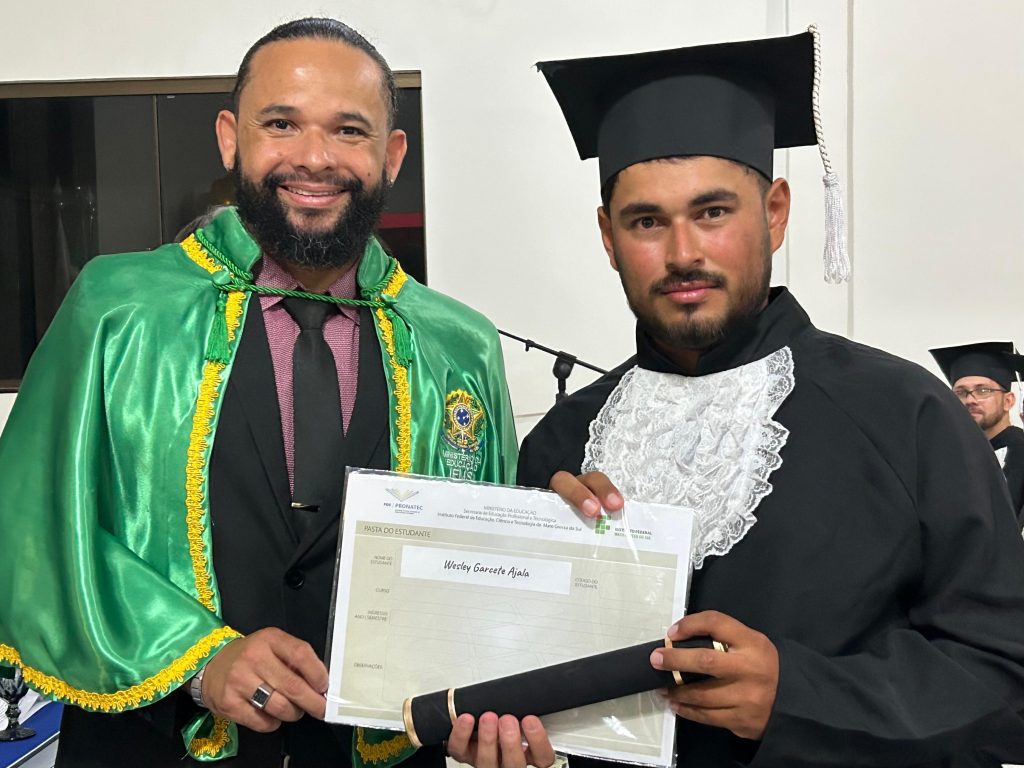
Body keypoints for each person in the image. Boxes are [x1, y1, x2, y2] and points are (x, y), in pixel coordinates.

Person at [0, 18, 530, 768]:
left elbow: (489, 558)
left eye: (350, 130)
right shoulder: (118, 310)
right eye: (281, 123)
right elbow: (30, 525)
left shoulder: (455, 344)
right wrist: (196, 658)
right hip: (150, 750)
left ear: (393, 155)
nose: (313, 158)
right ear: (230, 137)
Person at [514, 29, 1024, 767]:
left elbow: (1005, 679)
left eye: (713, 212)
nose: (683, 252)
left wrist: (797, 696)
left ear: (776, 213)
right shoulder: (561, 444)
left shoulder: (906, 413)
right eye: (647, 221)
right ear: (607, 235)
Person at [930, 341, 1024, 528]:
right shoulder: (946, 453)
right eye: (961, 392)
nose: (970, 400)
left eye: (983, 391)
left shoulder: (1021, 453)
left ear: (1008, 401)